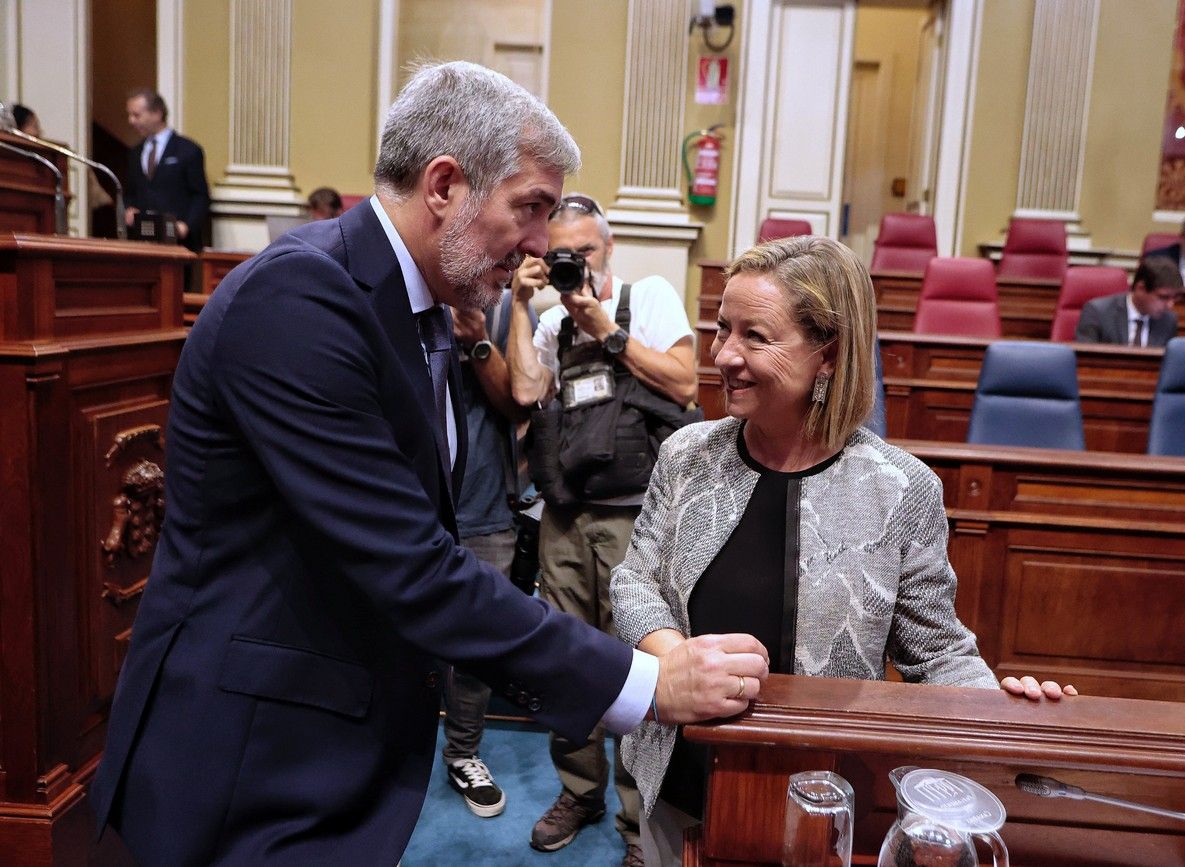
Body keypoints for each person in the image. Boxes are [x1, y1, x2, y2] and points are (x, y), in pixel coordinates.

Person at [90, 60, 769, 867]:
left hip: (325, 746)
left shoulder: (424, 308)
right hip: (249, 765)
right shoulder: (300, 301)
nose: (539, 245)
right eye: (530, 208)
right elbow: (414, 565)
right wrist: (644, 683)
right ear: (444, 184)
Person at [609, 236, 1076, 867]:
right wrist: (677, 659)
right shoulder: (688, 456)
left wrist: (1000, 712)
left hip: (825, 799)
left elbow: (935, 652)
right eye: (723, 329)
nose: (724, 356)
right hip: (681, 779)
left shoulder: (900, 489)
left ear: (827, 355)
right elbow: (635, 583)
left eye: (756, 336)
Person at [507, 193, 698, 864]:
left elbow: (683, 382)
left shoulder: (647, 297)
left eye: (584, 251)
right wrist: (524, 306)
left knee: (639, 669)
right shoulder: (552, 321)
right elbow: (526, 394)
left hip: (635, 516)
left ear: (607, 249)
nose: (574, 263)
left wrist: (605, 327)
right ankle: (578, 790)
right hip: (564, 513)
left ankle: (636, 817)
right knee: (564, 659)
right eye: (559, 252)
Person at [438, 293, 534, 819]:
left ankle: (463, 752)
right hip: (409, 502)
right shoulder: (400, 297)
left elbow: (520, 402)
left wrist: (476, 339)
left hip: (485, 501)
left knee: (478, 645)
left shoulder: (506, 307)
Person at [123, 88, 210, 252]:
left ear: (156, 113)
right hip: (143, 242)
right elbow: (130, 193)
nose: (131, 121)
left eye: (136, 115)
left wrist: (187, 225)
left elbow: (200, 196)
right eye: (130, 115)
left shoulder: (188, 150)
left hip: (179, 242)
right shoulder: (135, 152)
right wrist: (129, 209)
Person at [1074, 256, 1184, 347]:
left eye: (1174, 298)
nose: (1170, 305)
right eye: (1163, 297)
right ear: (1140, 288)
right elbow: (1085, 362)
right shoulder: (1097, 312)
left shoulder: (1168, 321)